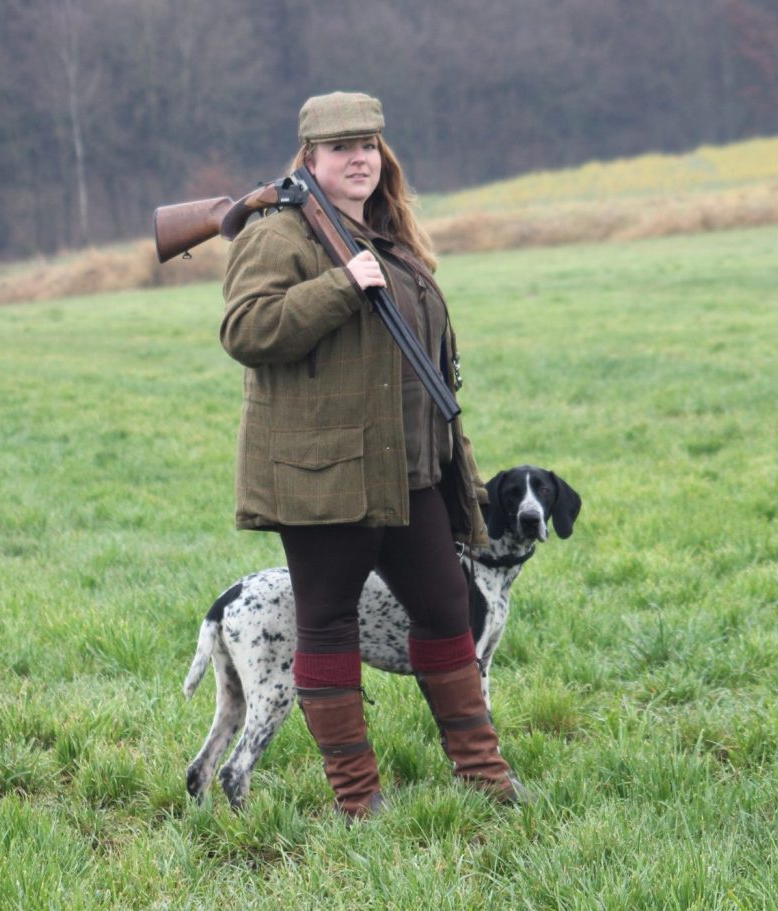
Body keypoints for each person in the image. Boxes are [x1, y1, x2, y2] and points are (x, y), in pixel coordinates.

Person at [220, 91, 522, 819]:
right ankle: (359, 802)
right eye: (340, 147)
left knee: (446, 609)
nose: (358, 158)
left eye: (368, 146)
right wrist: (340, 285)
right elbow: (246, 330)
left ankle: (486, 779)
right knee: (328, 622)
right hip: (324, 475)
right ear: (309, 158)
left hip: (410, 467)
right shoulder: (279, 235)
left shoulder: (387, 236)